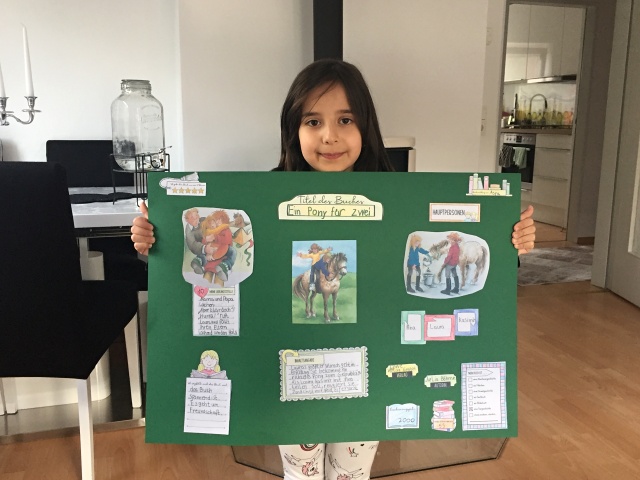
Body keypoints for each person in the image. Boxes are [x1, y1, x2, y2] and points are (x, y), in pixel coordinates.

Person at [131, 58, 536, 480]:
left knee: (351, 474)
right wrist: (153, 239)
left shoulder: (399, 198)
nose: (330, 136)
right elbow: (204, 255)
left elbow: (476, 256)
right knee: (301, 473)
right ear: (293, 129)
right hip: (293, 375)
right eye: (313, 121)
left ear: (366, 126)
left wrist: (514, 240)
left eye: (345, 119)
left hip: (366, 376)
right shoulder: (261, 199)